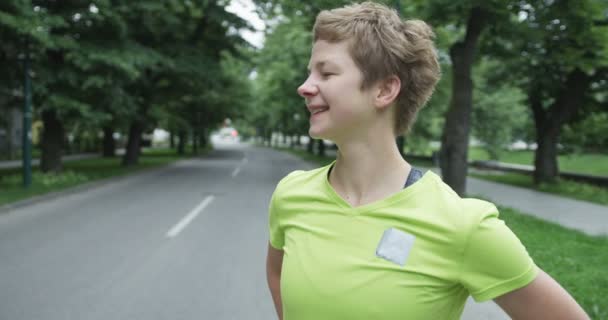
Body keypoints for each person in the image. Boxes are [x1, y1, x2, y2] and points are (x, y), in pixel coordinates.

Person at [265, 2, 589, 319]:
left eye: (327, 72)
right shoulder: (291, 194)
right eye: (310, 72)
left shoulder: (461, 225)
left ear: (384, 90)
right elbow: (277, 276)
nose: (305, 87)